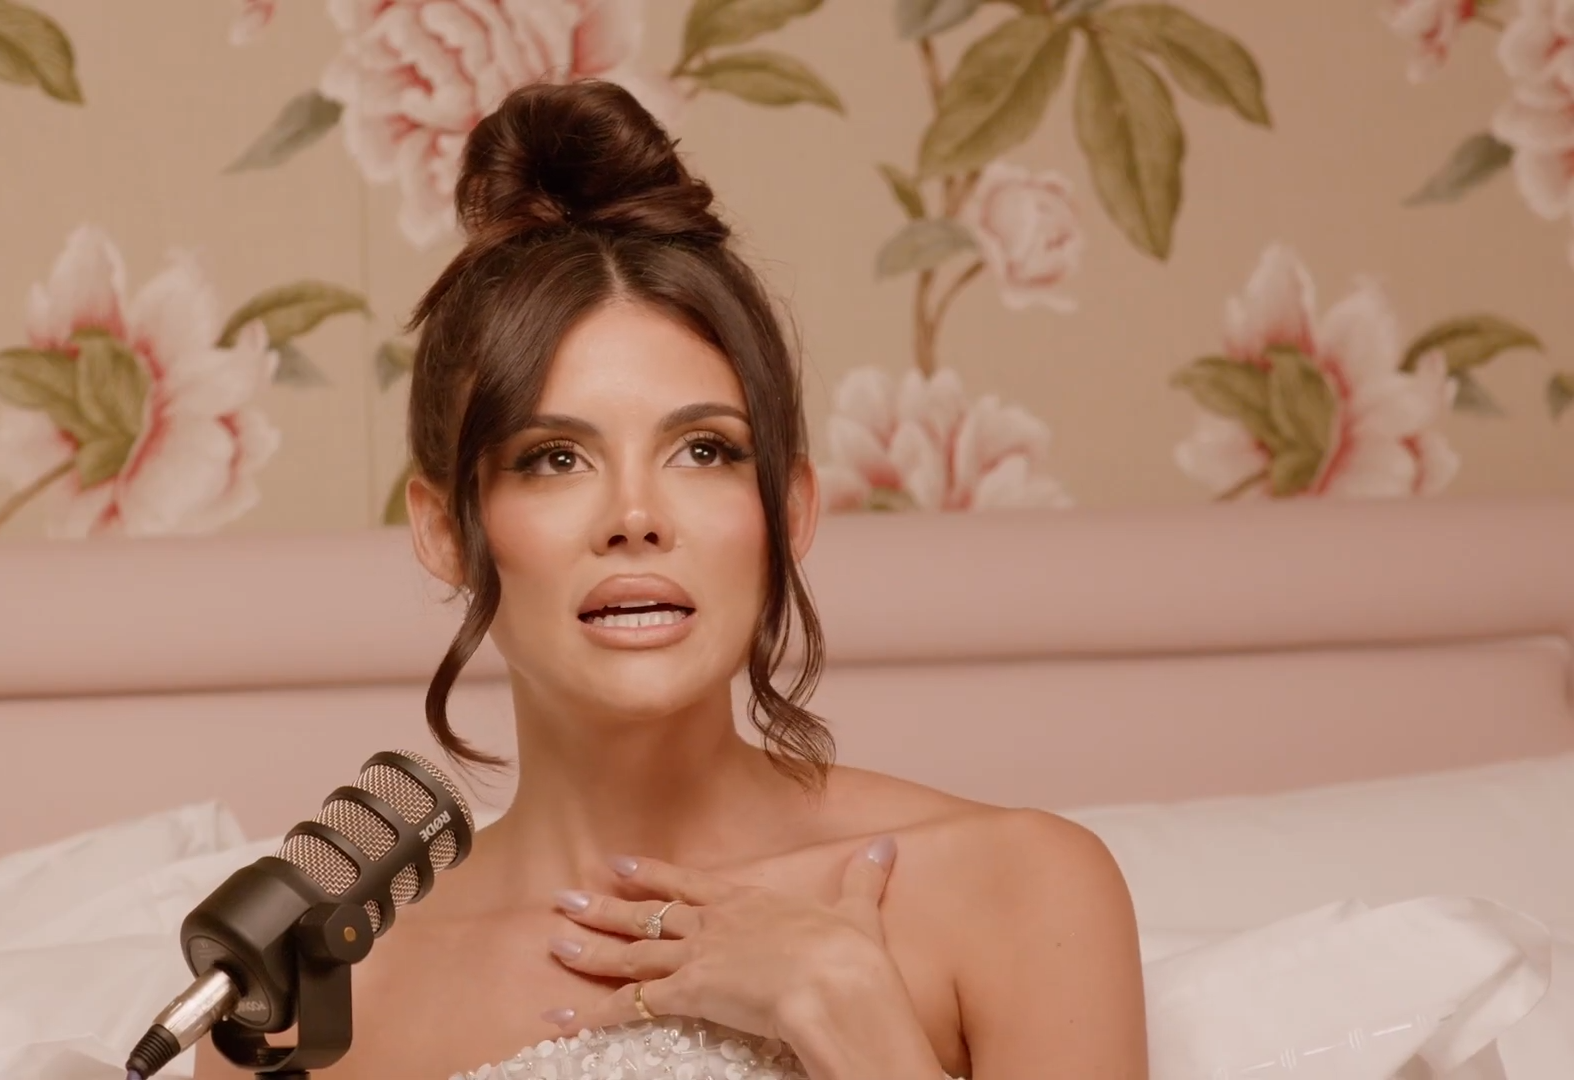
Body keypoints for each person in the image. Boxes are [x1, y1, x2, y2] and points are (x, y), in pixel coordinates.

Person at [195, 78, 1148, 1080]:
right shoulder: (311, 995)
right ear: (445, 531)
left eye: (704, 451)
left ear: (788, 509)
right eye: (555, 458)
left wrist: (849, 1013)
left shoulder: (1018, 889)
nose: (636, 516)